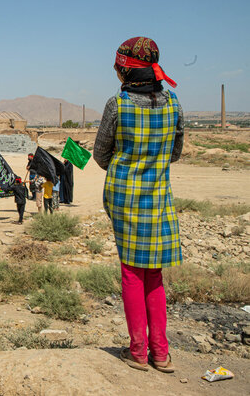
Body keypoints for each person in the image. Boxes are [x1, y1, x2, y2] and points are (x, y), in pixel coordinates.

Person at [94, 37, 183, 373]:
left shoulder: (117, 105)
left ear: (124, 70)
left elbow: (101, 154)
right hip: (158, 196)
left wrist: (128, 165)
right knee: (153, 273)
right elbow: (175, 152)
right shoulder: (173, 103)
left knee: (131, 271)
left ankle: (138, 352)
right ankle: (161, 354)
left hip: (124, 197)